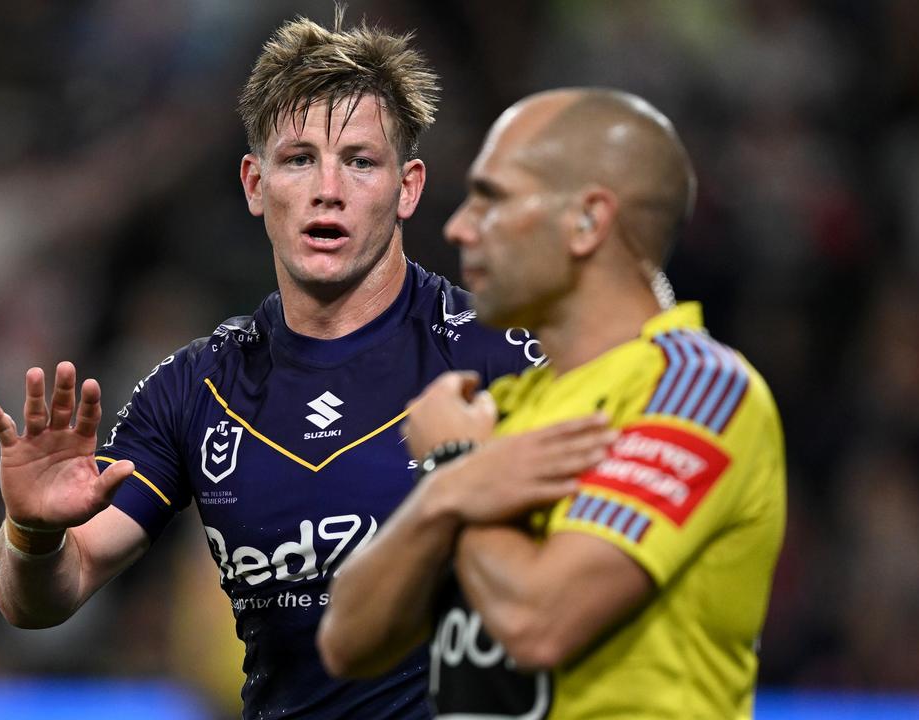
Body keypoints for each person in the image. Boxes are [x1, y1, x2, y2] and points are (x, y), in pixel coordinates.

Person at [0, 13, 541, 720]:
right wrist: (33, 534)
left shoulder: (500, 356)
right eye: (299, 159)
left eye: (361, 161)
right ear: (254, 182)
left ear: (408, 187)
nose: (326, 189)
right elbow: (44, 595)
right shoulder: (195, 389)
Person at [318, 88, 787, 718]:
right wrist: (442, 495)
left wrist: (455, 464)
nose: (459, 226)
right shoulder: (502, 405)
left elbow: (538, 622)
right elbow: (346, 643)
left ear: (588, 220)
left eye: (493, 198)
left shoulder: (698, 393)